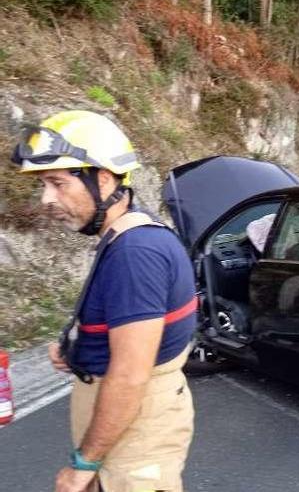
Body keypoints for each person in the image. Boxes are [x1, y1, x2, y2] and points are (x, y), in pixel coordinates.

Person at [10, 111, 197, 492]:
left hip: (136, 438)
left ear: (104, 178)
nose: (46, 199)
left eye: (58, 183)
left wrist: (83, 465)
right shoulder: (128, 233)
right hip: (126, 426)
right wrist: (76, 348)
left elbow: (130, 375)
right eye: (44, 185)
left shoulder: (137, 252)